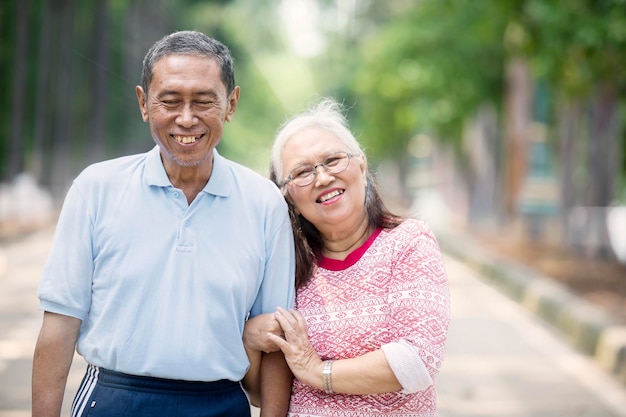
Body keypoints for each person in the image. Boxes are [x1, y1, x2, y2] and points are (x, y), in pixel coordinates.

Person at [32, 30, 295, 417]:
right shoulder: (96, 189)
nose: (186, 119)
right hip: (114, 399)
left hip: (220, 403)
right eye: (169, 102)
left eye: (204, 101)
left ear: (231, 104)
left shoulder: (264, 203)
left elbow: (276, 338)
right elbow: (59, 326)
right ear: (144, 103)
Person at [244, 98, 450, 416]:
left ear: (362, 166)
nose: (323, 178)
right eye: (302, 172)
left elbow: (417, 361)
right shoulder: (287, 267)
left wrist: (316, 371)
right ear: (289, 198)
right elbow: (262, 396)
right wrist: (250, 340)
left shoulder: (408, 243)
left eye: (333, 160)